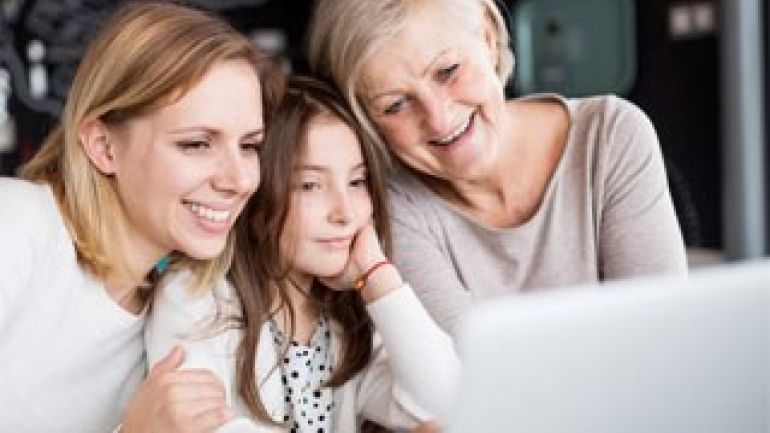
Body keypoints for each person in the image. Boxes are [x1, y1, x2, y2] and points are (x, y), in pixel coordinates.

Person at [306, 0, 689, 336]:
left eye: (448, 71)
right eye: (396, 105)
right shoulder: (395, 203)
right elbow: (472, 373)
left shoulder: (611, 135)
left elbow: (659, 337)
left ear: (487, 38)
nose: (439, 119)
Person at [0, 2, 284, 432]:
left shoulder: (189, 307)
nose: (239, 180)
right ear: (103, 147)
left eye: (249, 146)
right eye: (196, 144)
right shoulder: (17, 223)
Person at [145, 76, 459, 433]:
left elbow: (445, 405)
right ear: (259, 192)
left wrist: (377, 274)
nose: (344, 212)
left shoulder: (344, 319)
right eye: (310, 185)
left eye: (356, 182)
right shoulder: (195, 295)